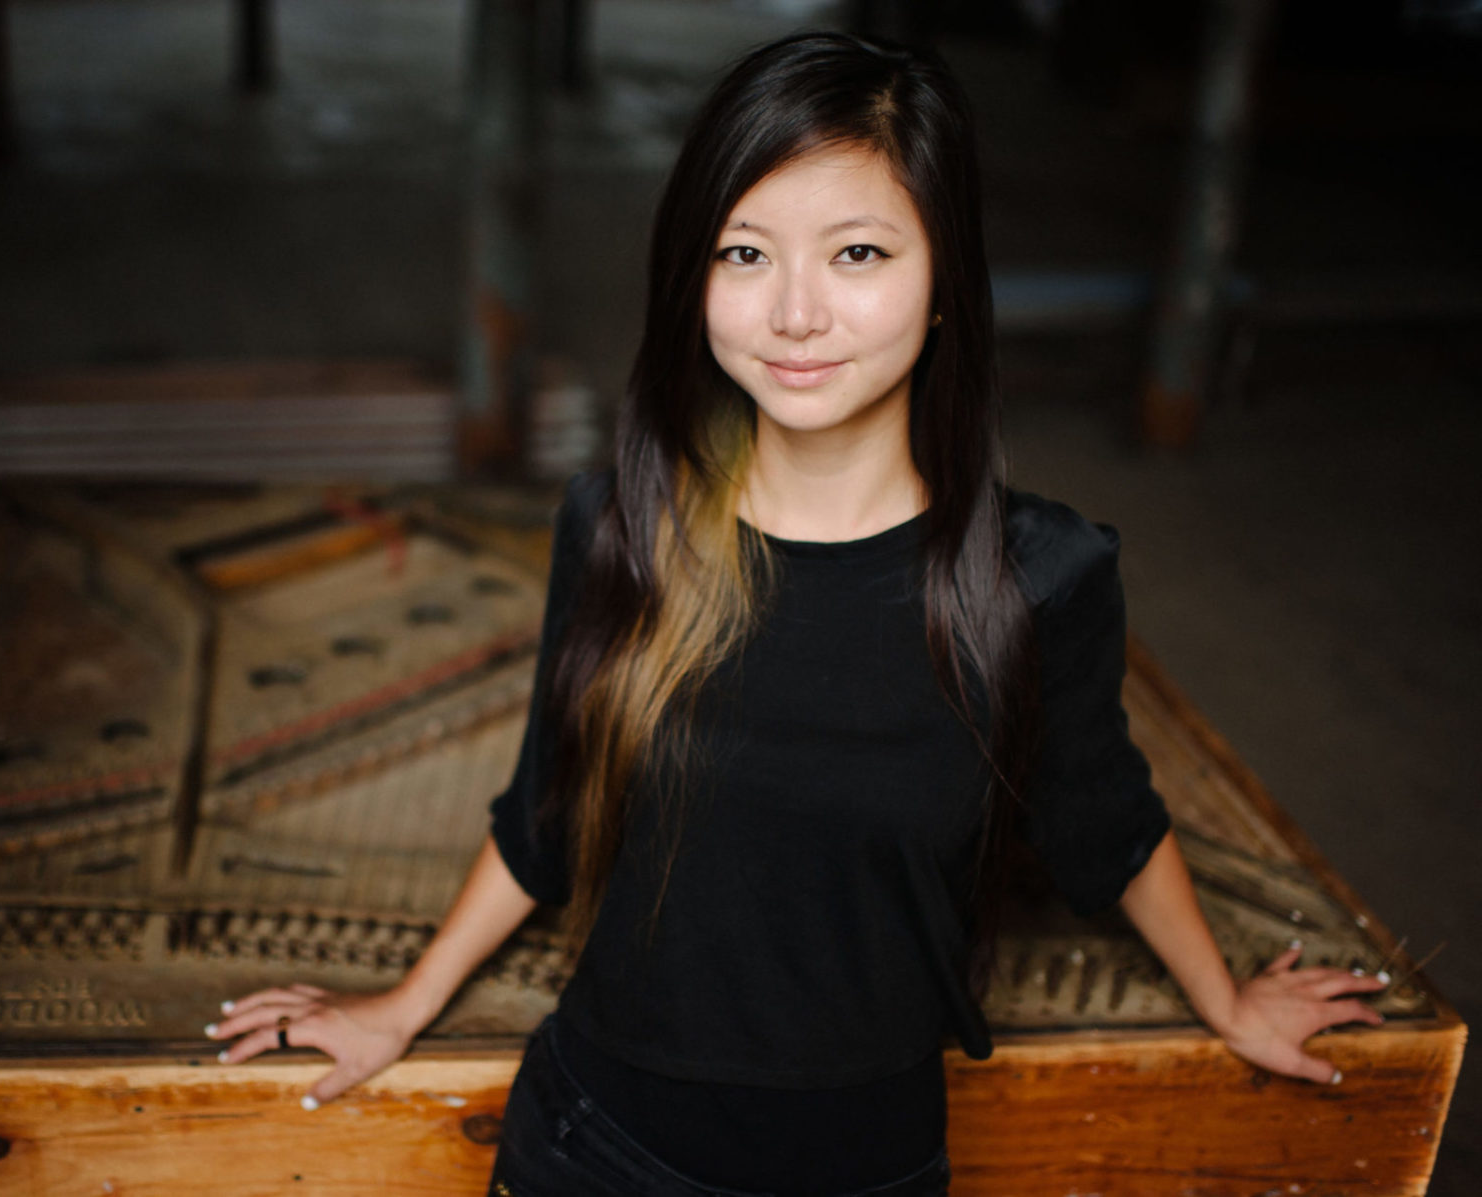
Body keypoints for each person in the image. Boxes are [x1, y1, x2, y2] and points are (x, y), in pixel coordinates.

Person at [206, 32, 1388, 1196]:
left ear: (943, 290)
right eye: (745, 255)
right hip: (595, 1146)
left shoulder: (1036, 578)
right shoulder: (627, 528)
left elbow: (1101, 817)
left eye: (859, 253)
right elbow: (549, 806)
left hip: (869, 1165)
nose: (795, 315)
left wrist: (1229, 1002)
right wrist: (397, 1008)